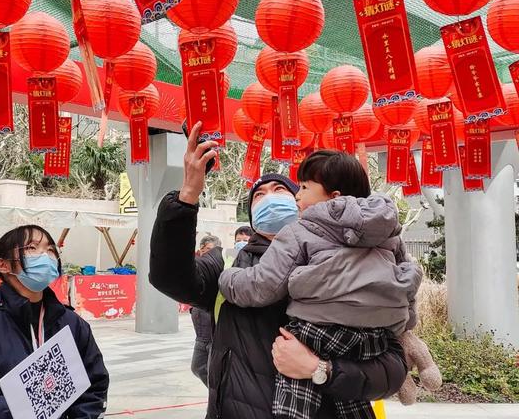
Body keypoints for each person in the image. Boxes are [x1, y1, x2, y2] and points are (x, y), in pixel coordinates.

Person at [149, 122, 408, 419]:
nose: (270, 197)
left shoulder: (358, 259)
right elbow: (169, 278)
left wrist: (320, 370)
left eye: (281, 189)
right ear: (251, 215)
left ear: (307, 201)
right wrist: (187, 196)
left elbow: (393, 366)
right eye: (259, 195)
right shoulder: (231, 263)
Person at [219, 150, 423, 419]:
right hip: (375, 336)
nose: (297, 196)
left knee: (294, 392)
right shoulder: (388, 232)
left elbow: (263, 286)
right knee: (355, 400)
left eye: (303, 187)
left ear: (334, 198)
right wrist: (404, 322)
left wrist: (226, 277)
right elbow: (407, 281)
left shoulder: (301, 230)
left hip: (315, 331)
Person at [0, 225, 109, 419]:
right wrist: (21, 406)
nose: (45, 256)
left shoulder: (72, 324)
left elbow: (94, 386)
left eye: (50, 250)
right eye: (32, 248)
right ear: (3, 265)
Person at [191, 235, 222, 386]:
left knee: (213, 370)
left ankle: (217, 396)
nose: (207, 253)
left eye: (211, 250)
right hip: (200, 334)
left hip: (213, 333)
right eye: (205, 250)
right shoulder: (197, 268)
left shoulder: (222, 269)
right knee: (197, 367)